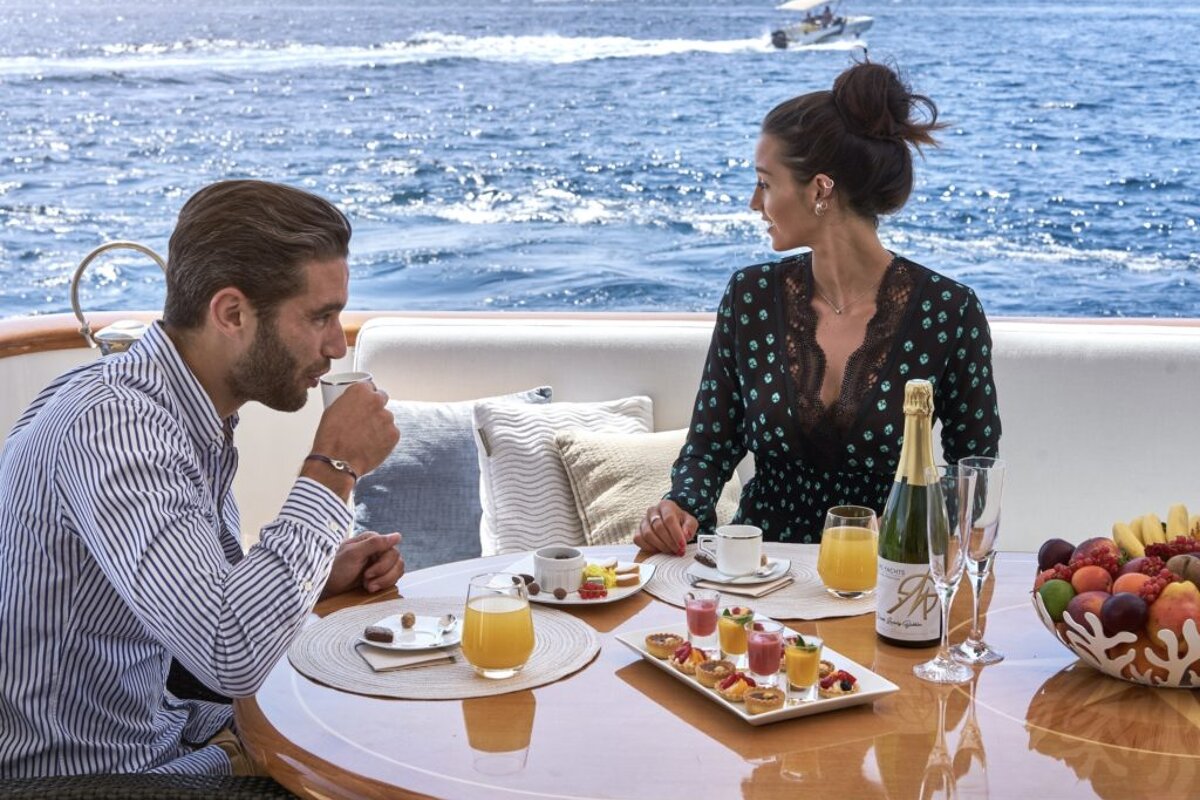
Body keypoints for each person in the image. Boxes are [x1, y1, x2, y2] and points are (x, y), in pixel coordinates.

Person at [0, 180, 403, 777]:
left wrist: (315, 577)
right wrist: (334, 466)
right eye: (320, 316)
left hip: (167, 728)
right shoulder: (116, 429)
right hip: (95, 777)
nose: (335, 346)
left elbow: (205, 601)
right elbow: (228, 649)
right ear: (231, 313)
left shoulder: (179, 414)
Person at [635, 62, 1001, 555]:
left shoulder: (949, 312)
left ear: (820, 189)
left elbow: (974, 473)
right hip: (755, 572)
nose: (754, 202)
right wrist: (681, 506)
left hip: (885, 574)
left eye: (765, 183)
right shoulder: (750, 297)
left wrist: (908, 526)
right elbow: (710, 446)